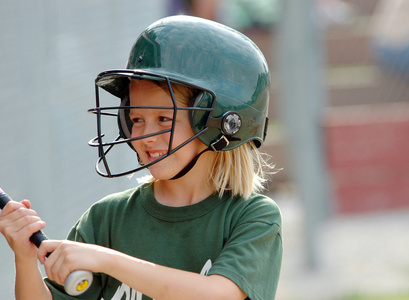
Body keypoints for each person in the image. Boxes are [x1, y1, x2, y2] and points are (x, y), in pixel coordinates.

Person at [0, 15, 283, 300]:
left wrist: (107, 260)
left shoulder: (252, 217)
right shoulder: (108, 217)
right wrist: (24, 257)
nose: (145, 135)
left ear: (224, 124)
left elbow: (220, 293)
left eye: (163, 118)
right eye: (136, 119)